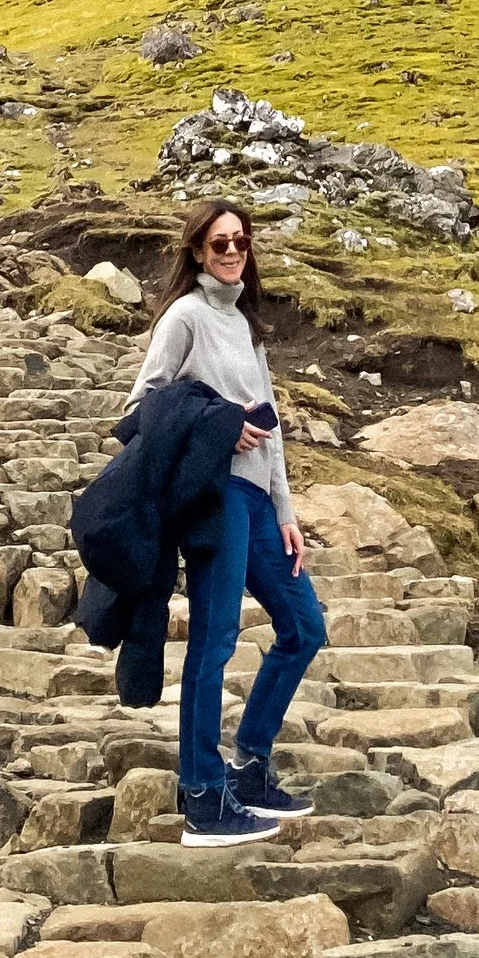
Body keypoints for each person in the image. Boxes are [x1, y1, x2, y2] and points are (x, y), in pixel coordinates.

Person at [124, 198, 326, 842]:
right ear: (196, 252)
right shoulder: (185, 317)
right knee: (214, 640)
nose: (232, 252)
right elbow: (142, 408)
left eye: (240, 241)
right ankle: (203, 797)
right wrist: (217, 425)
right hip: (212, 498)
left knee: (303, 627)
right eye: (219, 244)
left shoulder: (244, 322)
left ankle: (250, 769)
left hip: (258, 503)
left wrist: (285, 510)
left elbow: (270, 428)